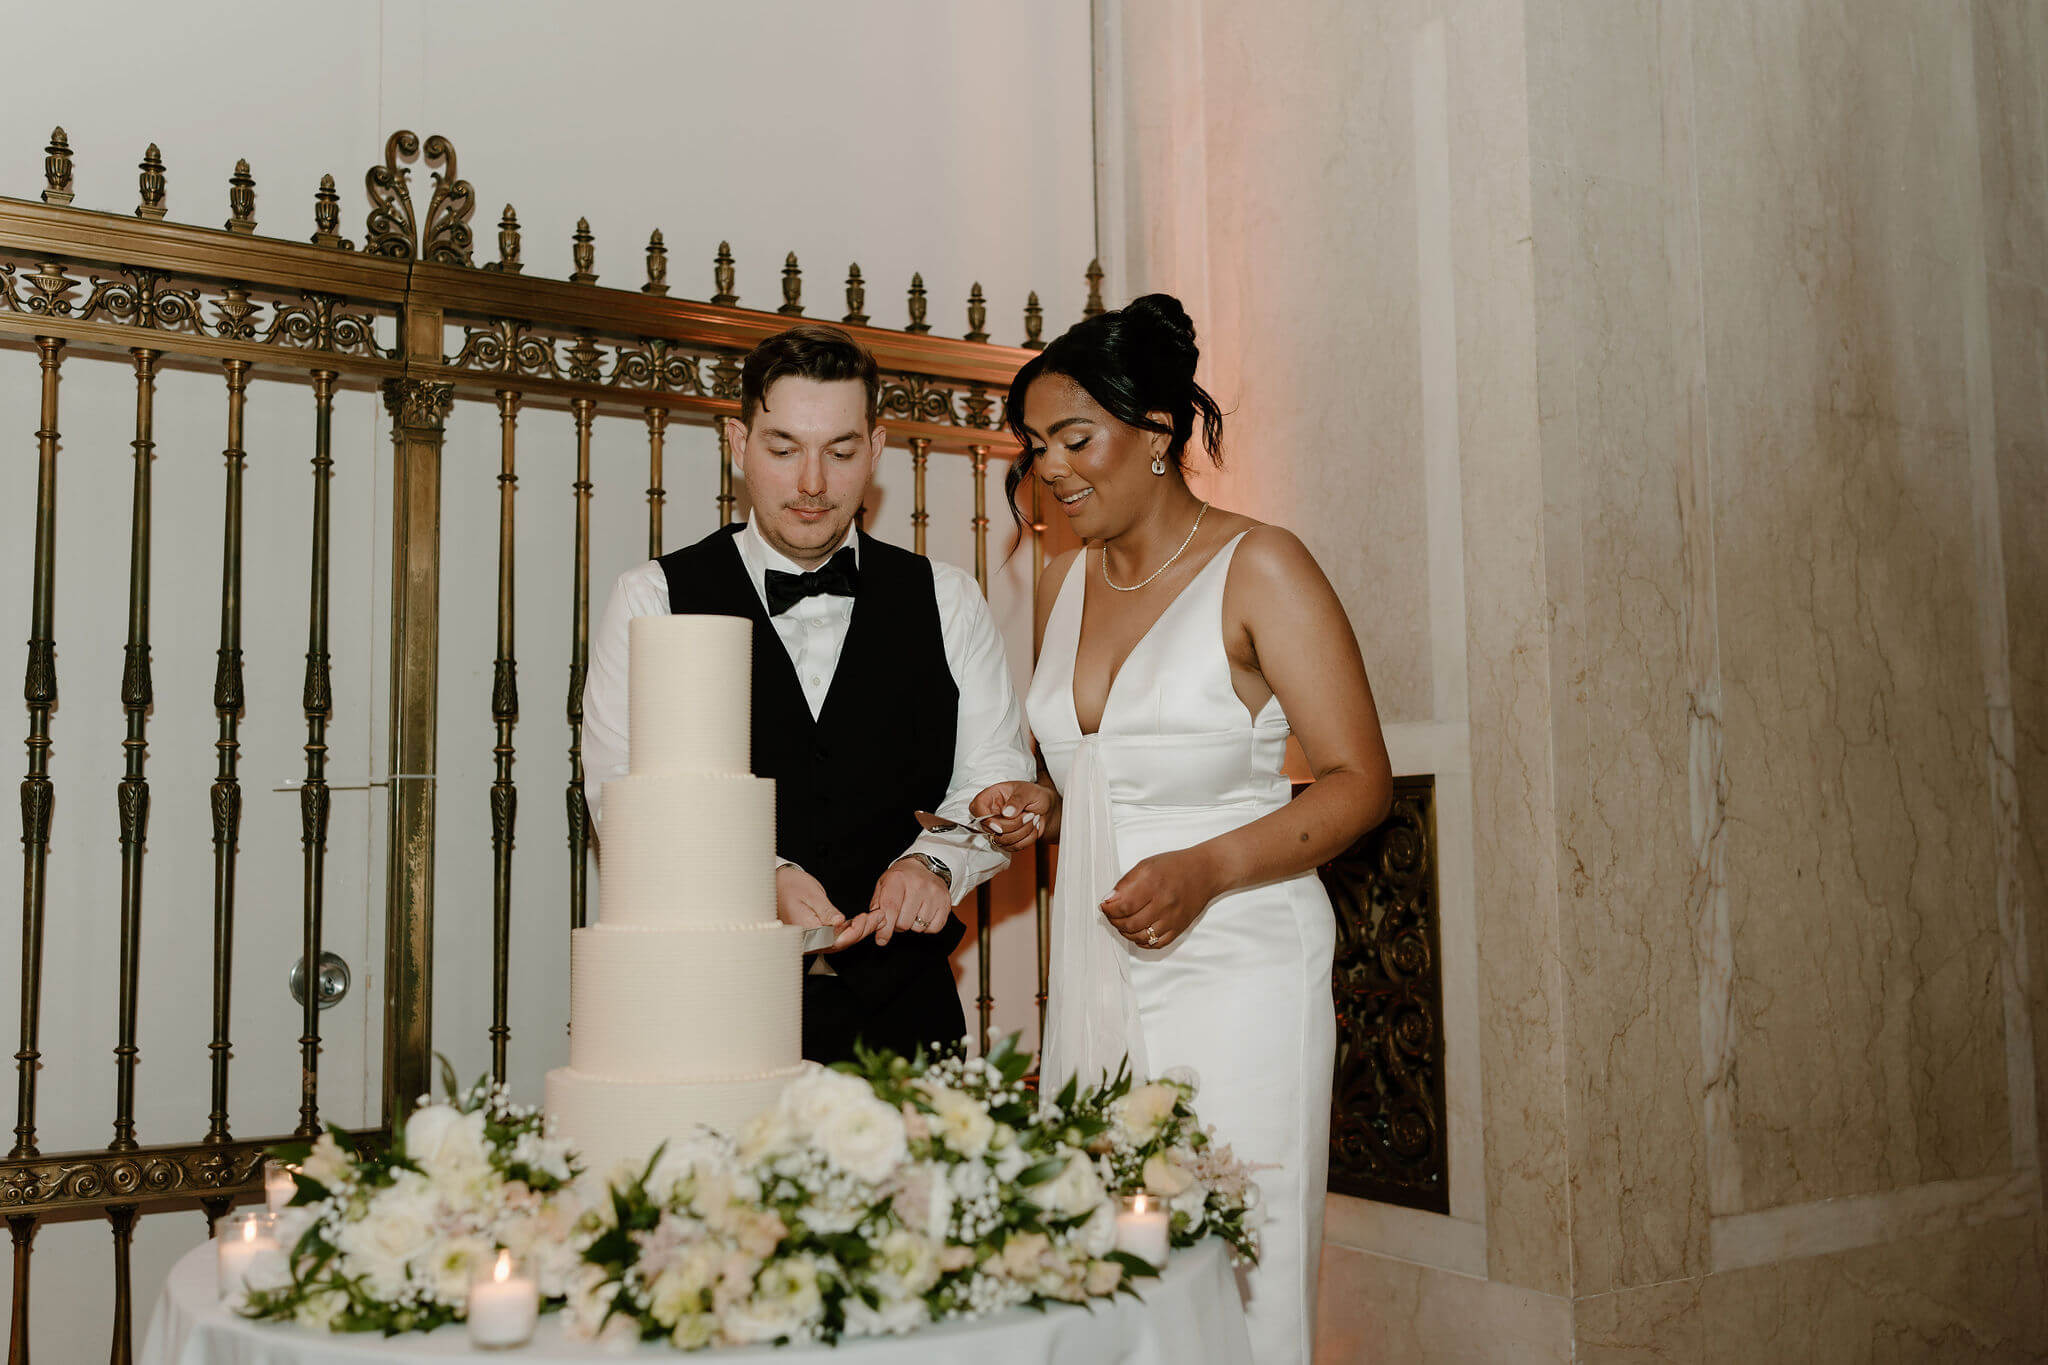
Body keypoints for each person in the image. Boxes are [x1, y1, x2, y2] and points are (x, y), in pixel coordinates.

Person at [969, 295, 1392, 1365]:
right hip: (1100, 957)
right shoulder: (1063, 574)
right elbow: (1111, 766)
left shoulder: (1261, 567)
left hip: (1236, 958)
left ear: (1155, 435)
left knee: (1235, 1267)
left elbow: (1356, 782)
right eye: (1035, 445)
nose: (1051, 469)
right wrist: (1048, 804)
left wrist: (1207, 870)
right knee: (1104, 1263)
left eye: (1075, 439)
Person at [582, 324, 1035, 1066]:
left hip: (908, 1014)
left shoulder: (948, 598)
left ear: (878, 449)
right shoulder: (651, 596)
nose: (813, 482)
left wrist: (935, 863)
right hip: (716, 1012)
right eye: (784, 447)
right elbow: (620, 799)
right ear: (738, 442)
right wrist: (764, 879)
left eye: (841, 450)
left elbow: (993, 773)